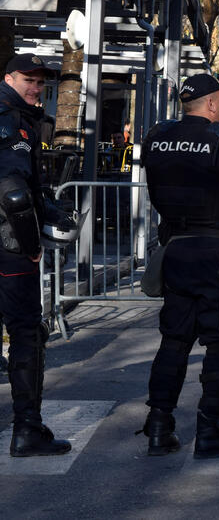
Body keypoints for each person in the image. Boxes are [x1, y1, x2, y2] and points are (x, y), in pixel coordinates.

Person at [137, 73, 219, 458]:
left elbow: (157, 194)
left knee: (174, 339)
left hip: (177, 250)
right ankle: (212, 429)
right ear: (211, 103)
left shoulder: (159, 138)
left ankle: (159, 425)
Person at [0, 53, 72, 457]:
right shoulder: (10, 121)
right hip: (9, 248)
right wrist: (29, 248)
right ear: (8, 77)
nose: (36, 87)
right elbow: (12, 194)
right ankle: (27, 428)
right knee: (27, 333)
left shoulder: (20, 115)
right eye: (29, 79)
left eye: (41, 81)